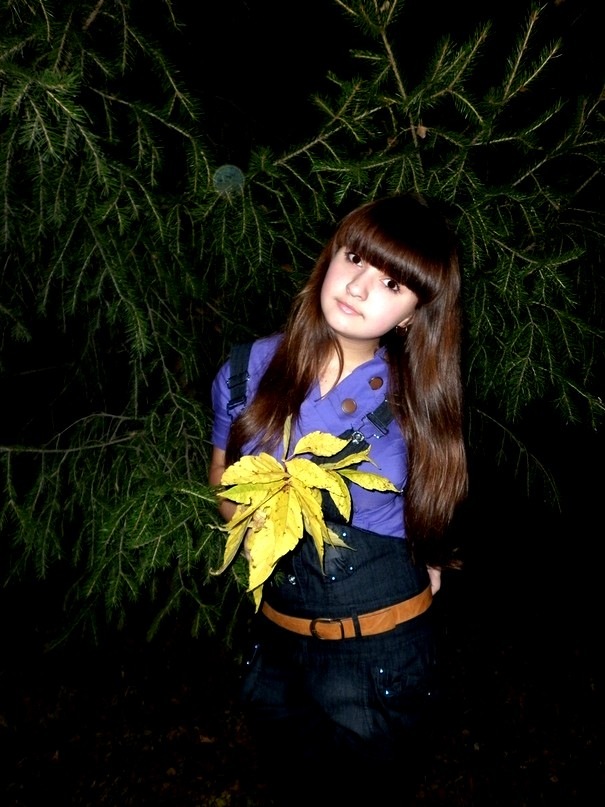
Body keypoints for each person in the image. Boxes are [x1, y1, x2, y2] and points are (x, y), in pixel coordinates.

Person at [209, 193, 468, 805]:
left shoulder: (414, 401)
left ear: (412, 316)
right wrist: (254, 513)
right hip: (277, 642)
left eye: (393, 284)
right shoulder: (245, 370)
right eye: (354, 258)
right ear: (330, 257)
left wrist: (430, 558)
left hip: (380, 655)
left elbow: (433, 507)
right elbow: (221, 476)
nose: (358, 285)